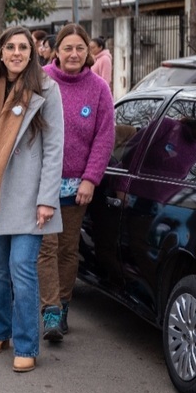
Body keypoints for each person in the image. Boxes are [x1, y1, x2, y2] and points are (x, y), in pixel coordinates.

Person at [0, 26, 64, 373]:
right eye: (10, 47)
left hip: (28, 196)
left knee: (22, 269)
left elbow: (54, 149)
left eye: (23, 47)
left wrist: (47, 198)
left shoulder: (47, 90)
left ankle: (26, 344)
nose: (17, 53)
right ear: (1, 54)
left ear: (32, 53)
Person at [37, 24, 115, 342]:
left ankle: (64, 305)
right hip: (41, 183)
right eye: (67, 48)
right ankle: (51, 311)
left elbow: (104, 137)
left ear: (89, 53)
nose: (73, 54)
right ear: (56, 51)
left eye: (79, 48)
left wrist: (90, 179)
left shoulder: (98, 88)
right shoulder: (41, 80)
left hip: (75, 186)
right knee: (46, 248)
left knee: (68, 250)